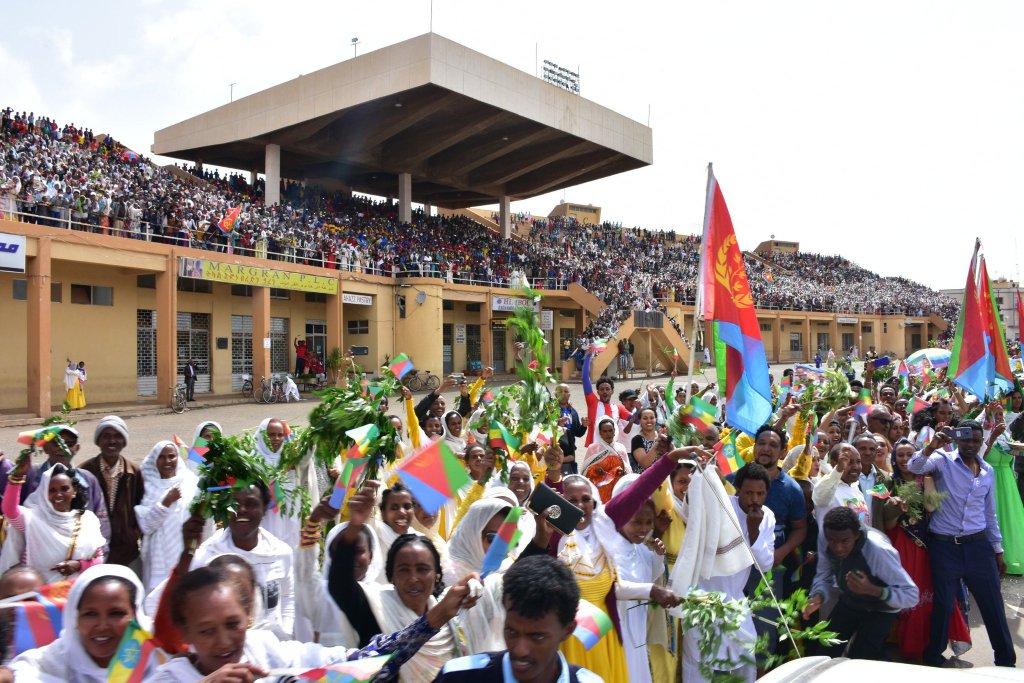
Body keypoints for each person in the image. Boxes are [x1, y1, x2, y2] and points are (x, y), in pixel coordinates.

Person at [152, 561, 477, 682]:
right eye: (207, 631)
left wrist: (434, 618)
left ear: (249, 616)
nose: (224, 641)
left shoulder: (266, 654)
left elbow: (362, 665)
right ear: (185, 632)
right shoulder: (168, 678)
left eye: (233, 624)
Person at [327, 483, 482, 682]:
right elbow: (340, 585)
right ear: (391, 576)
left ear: (437, 575)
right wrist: (354, 526)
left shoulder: (449, 619)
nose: (413, 578)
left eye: (423, 569)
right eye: (403, 570)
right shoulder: (375, 608)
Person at [907, 420, 1016, 668]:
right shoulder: (942, 460)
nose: (971, 445)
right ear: (957, 440)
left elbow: (990, 515)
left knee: (993, 607)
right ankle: (933, 658)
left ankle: (1006, 662)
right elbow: (914, 466)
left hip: (978, 547)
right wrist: (930, 446)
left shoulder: (988, 471)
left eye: (976, 440)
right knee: (944, 605)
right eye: (966, 439)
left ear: (981, 441)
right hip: (944, 547)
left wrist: (998, 550)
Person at [433, 555, 602, 683]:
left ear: (568, 630)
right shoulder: (458, 677)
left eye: (537, 637)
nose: (520, 650)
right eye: (511, 632)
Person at [681, 463, 775, 683]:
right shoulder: (720, 505)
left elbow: (765, 565)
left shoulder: (767, 517)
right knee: (697, 658)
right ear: (737, 489)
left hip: (734, 598)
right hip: (702, 595)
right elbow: (689, 513)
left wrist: (754, 530)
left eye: (760, 494)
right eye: (749, 492)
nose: (754, 499)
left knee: (746, 654)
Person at [883, 437, 971, 661]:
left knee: (931, 597)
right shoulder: (888, 483)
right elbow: (887, 523)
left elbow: (932, 505)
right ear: (893, 459)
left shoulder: (927, 478)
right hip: (901, 545)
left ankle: (930, 646)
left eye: (909, 455)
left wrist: (927, 479)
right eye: (899, 455)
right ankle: (906, 644)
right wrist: (896, 508)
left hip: (928, 545)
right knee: (909, 598)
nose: (904, 459)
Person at [3, 565, 160, 682]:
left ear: (135, 614)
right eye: (90, 614)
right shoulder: (46, 664)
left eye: (116, 614)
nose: (102, 625)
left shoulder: (159, 659)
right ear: (75, 619)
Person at [804, 507, 920, 660]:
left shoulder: (878, 549)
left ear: (857, 535)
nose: (838, 548)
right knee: (825, 651)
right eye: (832, 541)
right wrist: (818, 596)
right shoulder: (825, 537)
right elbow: (824, 574)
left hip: (881, 608)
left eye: (845, 541)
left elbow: (911, 595)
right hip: (851, 599)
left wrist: (873, 590)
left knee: (860, 659)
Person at [191, 481, 295, 639]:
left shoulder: (281, 552)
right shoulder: (206, 557)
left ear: (264, 509)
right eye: (234, 503)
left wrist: (285, 636)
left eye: (252, 503)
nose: (241, 510)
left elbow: (288, 597)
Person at [0, 459, 106, 583]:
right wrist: (17, 477)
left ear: (74, 491)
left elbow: (99, 558)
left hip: (74, 595)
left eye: (64, 488)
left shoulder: (88, 520)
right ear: (44, 494)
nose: (58, 494)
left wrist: (79, 565)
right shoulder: (33, 520)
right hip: (38, 596)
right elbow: (10, 511)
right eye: (52, 490)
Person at [134, 439, 199, 595]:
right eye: (161, 457)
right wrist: (166, 501)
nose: (167, 461)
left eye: (171, 456)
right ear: (154, 460)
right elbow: (146, 526)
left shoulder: (190, 483)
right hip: (158, 559)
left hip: (184, 554)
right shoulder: (146, 486)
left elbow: (200, 520)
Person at [79, 416, 144, 568]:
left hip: (127, 553)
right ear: (98, 441)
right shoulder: (85, 471)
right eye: (106, 436)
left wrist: (133, 533)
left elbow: (143, 507)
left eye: (117, 436)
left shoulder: (134, 472)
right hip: (94, 554)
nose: (112, 441)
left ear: (124, 441)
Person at [581, 351, 630, 446]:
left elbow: (635, 419)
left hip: (613, 449)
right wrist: (588, 357)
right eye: (602, 389)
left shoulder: (618, 408)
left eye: (607, 389)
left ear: (612, 391)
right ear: (598, 391)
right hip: (595, 450)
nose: (605, 392)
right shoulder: (592, 402)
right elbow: (585, 379)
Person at [581, 418, 631, 504]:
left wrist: (621, 471)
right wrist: (595, 470)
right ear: (600, 433)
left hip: (617, 491)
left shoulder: (620, 448)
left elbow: (628, 471)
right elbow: (584, 472)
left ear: (614, 431)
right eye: (604, 431)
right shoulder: (593, 448)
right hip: (599, 492)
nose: (608, 434)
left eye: (610, 430)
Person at [556, 383, 587, 475]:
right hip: (555, 450)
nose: (563, 394)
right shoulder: (551, 410)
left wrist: (584, 426)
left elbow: (578, 433)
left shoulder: (573, 412)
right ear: (555, 394)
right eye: (560, 391)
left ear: (569, 395)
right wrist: (558, 425)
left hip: (570, 453)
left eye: (566, 391)